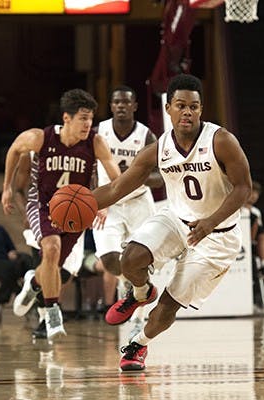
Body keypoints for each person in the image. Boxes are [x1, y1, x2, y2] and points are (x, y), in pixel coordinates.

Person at [92, 74, 252, 371]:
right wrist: (83, 204)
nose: (187, 112)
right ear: (169, 109)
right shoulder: (158, 148)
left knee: (165, 308)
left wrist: (211, 220)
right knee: (130, 259)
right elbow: (116, 189)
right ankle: (141, 292)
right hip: (176, 220)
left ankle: (138, 345)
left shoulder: (222, 141)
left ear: (201, 109)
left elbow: (244, 188)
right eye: (180, 105)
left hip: (217, 236)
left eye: (193, 106)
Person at [1, 88, 121, 340]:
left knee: (54, 265)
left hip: (76, 211)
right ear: (66, 118)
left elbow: (116, 180)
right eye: (82, 118)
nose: (88, 124)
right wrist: (7, 189)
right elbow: (14, 149)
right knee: (52, 248)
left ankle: (33, 284)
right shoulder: (40, 138)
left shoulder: (96, 143)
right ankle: (52, 309)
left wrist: (104, 203)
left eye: (90, 118)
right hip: (42, 204)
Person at [93, 85, 163, 325]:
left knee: (142, 258)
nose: (121, 106)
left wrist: (136, 175)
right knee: (111, 262)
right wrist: (96, 199)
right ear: (111, 106)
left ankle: (139, 317)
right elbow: (89, 169)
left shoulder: (146, 136)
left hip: (138, 202)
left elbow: (160, 175)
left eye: (126, 102)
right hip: (108, 204)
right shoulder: (98, 132)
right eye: (116, 102)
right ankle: (132, 286)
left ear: (134, 106)